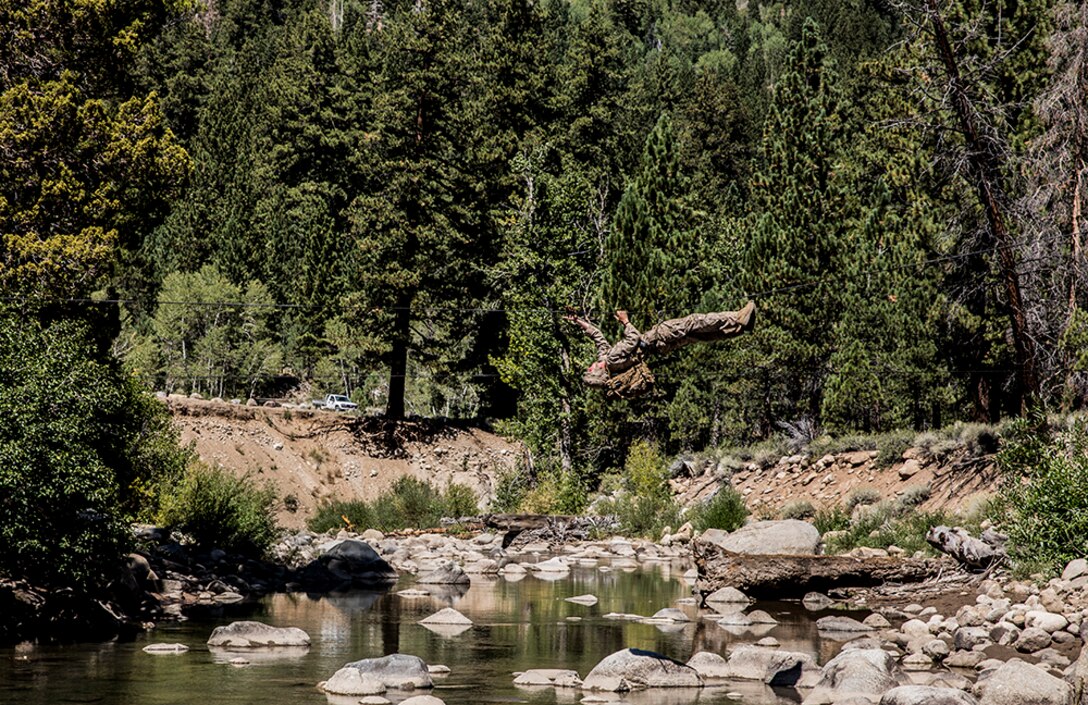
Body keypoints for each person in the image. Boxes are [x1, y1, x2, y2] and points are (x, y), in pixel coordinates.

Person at [564, 301, 756, 399]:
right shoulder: (613, 359)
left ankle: (739, 329)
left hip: (658, 348)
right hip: (655, 338)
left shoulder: (608, 362)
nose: (589, 367)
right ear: (597, 372)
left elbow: (597, 336)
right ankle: (736, 318)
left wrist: (578, 322)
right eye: (589, 370)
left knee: (697, 335)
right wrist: (625, 321)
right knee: (693, 322)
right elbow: (633, 337)